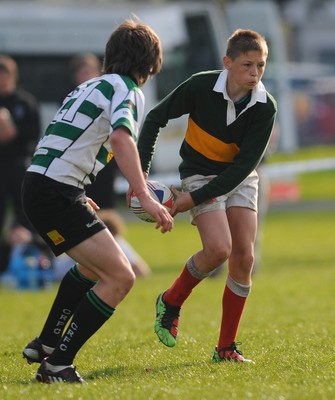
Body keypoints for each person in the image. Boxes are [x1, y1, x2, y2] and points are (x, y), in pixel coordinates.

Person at [21, 19, 173, 384]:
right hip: (54, 191)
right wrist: (143, 195)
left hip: (44, 185)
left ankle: (46, 343)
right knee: (121, 276)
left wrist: (76, 190)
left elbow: (67, 139)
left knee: (93, 268)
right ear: (151, 64)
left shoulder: (90, 85)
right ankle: (58, 364)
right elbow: (122, 139)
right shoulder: (128, 89)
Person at [137, 29, 277, 363]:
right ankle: (171, 301)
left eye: (261, 65)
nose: (255, 73)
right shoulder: (201, 85)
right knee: (218, 250)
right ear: (227, 63)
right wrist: (140, 177)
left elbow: (242, 169)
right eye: (247, 65)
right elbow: (155, 118)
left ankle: (225, 348)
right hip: (199, 172)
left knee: (243, 259)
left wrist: (193, 199)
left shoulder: (265, 107)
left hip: (239, 178)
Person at [0, 55, 41, 272]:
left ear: (12, 76)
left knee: (24, 215)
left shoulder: (25, 102)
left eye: (4, 74)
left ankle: (27, 259)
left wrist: (9, 127)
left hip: (19, 165)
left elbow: (33, 136)